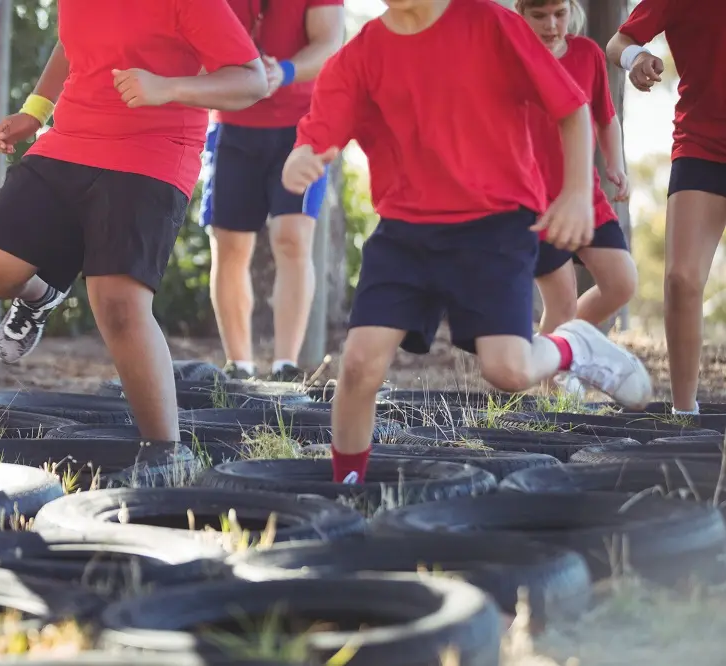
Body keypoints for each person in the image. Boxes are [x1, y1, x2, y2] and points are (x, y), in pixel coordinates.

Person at [281, 0, 654, 484]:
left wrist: (579, 193)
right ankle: (346, 491)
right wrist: (300, 159)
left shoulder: (490, 24)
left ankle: (573, 346)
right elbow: (317, 136)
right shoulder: (361, 54)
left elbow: (572, 107)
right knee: (358, 366)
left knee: (510, 371)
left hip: (494, 226)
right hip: (404, 234)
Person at [0, 0, 268, 443]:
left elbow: (251, 80)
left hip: (153, 151)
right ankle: (42, 295)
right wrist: (36, 110)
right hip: (70, 140)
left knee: (118, 305)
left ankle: (165, 453)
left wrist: (167, 88)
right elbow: (72, 45)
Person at [200, 0, 346, 382]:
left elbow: (330, 42)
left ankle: (285, 366)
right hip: (233, 122)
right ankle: (239, 366)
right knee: (229, 244)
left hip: (302, 126)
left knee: (293, 238)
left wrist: (284, 70)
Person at [606, 0, 726, 416]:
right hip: (703, 146)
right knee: (680, 279)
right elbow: (617, 41)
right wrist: (636, 57)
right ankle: (684, 416)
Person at [516, 0, 637, 397]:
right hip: (533, 203)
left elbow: (605, 117)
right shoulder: (511, 58)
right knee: (562, 303)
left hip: (585, 196)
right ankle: (554, 399)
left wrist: (615, 163)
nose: (552, 25)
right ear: (520, 11)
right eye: (539, 15)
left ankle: (565, 346)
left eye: (559, 13)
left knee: (621, 283)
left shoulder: (587, 54)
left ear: (571, 10)